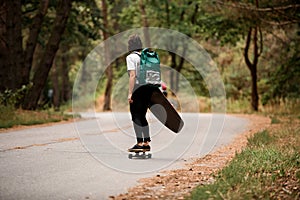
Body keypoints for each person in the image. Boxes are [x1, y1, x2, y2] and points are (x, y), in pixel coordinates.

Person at [126, 34, 160, 152]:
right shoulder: (145, 56)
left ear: (130, 45)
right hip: (148, 88)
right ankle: (146, 142)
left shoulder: (131, 57)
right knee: (143, 115)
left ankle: (139, 143)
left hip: (138, 88)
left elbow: (132, 75)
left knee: (136, 115)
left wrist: (130, 93)